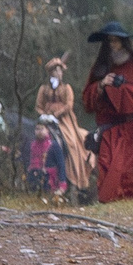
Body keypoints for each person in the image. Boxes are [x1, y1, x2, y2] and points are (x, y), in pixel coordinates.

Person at [83, 20, 133, 203]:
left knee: (127, 171)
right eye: (109, 41)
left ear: (123, 42)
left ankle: (126, 206)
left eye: (115, 40)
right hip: (108, 129)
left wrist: (119, 90)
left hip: (130, 128)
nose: (112, 45)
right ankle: (107, 204)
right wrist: (101, 85)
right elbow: (87, 97)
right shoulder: (101, 67)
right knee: (108, 168)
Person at [34, 56, 95, 194]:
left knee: (72, 142)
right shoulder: (43, 89)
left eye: (60, 71)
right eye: (55, 71)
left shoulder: (67, 88)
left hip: (64, 119)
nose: (58, 73)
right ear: (50, 73)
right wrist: (44, 114)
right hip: (46, 119)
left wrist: (55, 115)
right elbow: (38, 105)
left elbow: (69, 105)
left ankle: (74, 177)